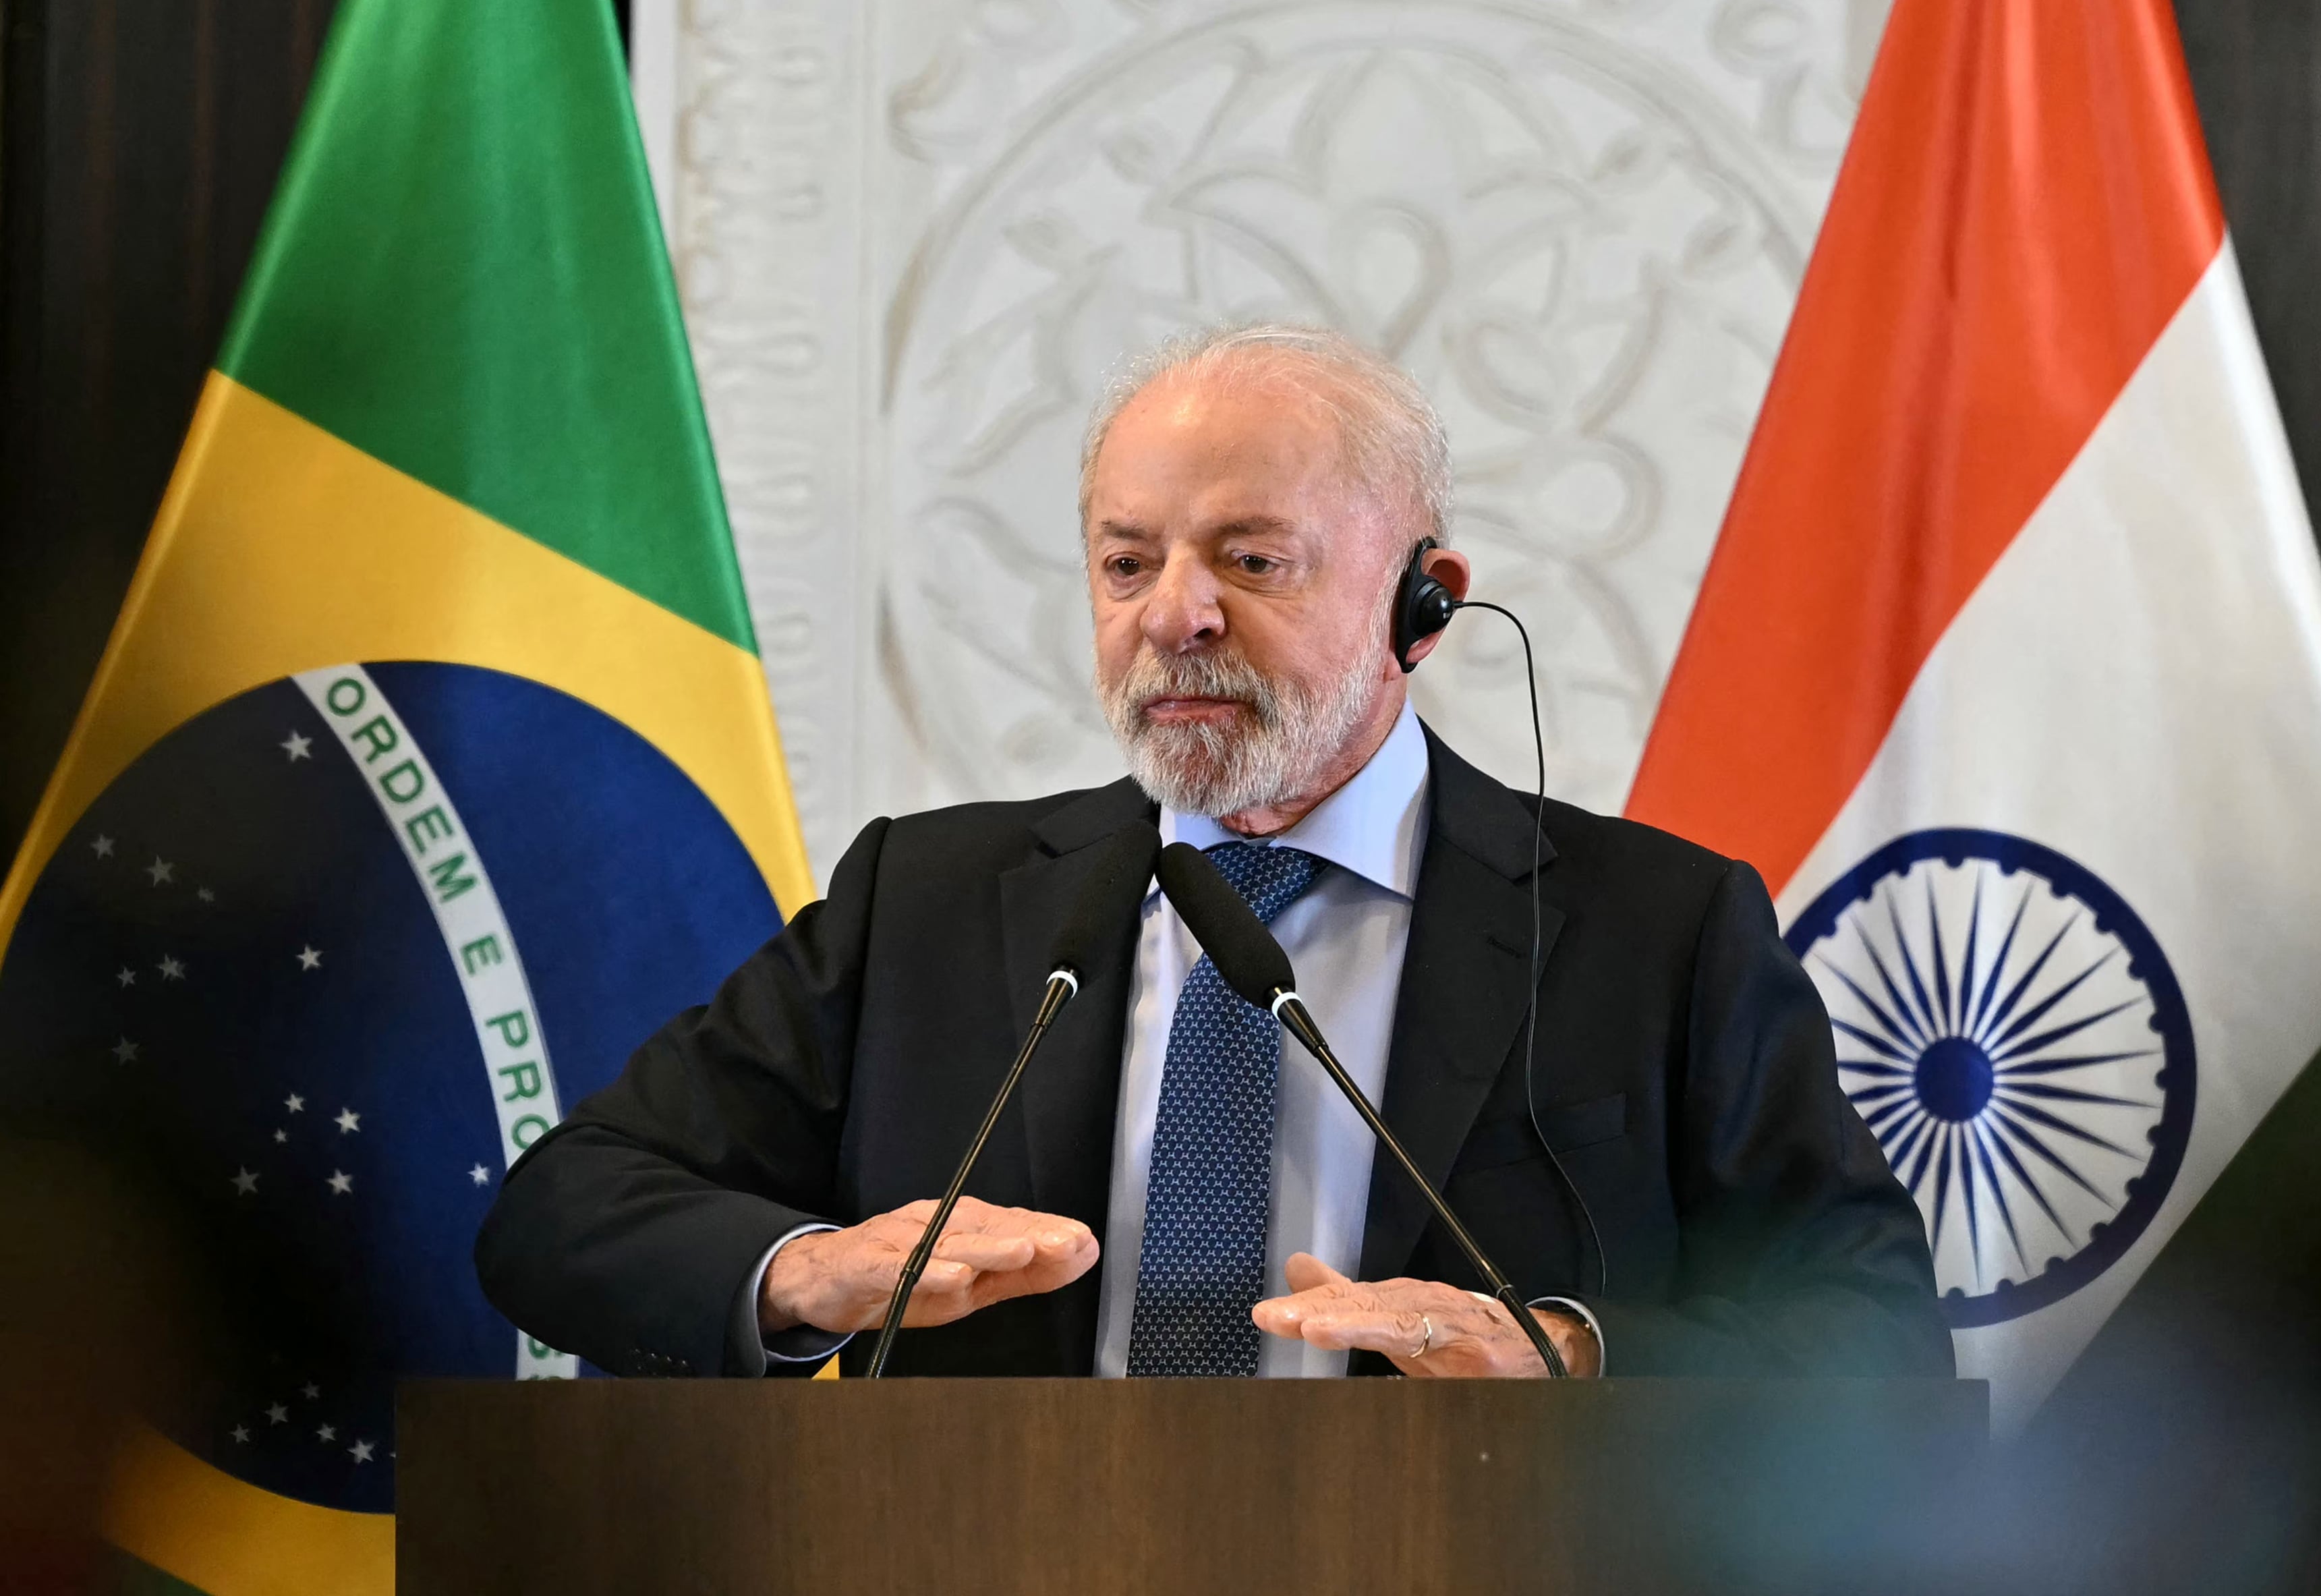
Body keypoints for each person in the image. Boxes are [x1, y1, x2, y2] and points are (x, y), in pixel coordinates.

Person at [475, 326, 1951, 1381]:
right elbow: (564, 1210)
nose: (1172, 615)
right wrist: (810, 1273)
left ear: (1421, 605)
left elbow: (1870, 1327)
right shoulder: (923, 904)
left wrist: (1562, 1348)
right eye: (1128, 562)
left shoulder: (1659, 930)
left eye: (1251, 560)